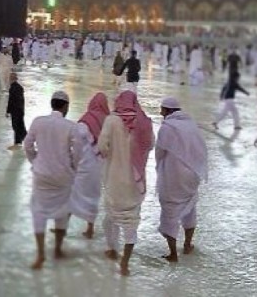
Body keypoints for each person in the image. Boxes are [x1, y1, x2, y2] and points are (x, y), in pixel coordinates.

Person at [24, 91, 82, 270]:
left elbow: (27, 145)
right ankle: (57, 249)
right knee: (63, 212)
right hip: (63, 176)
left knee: (39, 212)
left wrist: (35, 161)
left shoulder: (38, 122)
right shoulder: (70, 126)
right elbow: (78, 150)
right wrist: (72, 165)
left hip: (42, 175)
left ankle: (40, 254)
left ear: (52, 104)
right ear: (65, 106)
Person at [97, 90, 154, 276]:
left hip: (114, 180)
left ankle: (112, 249)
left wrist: (112, 152)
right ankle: (125, 263)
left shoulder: (112, 120)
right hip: (135, 182)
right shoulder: (143, 121)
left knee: (111, 217)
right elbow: (151, 144)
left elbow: (102, 147)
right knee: (131, 222)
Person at [156, 97, 208, 262]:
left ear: (167, 110)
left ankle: (173, 254)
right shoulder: (191, 124)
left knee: (170, 210)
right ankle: (187, 245)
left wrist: (160, 169)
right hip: (193, 173)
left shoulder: (167, 128)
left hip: (174, 175)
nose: (160, 113)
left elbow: (160, 152)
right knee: (190, 207)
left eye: (162, 110)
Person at [69, 92, 110, 239]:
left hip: (84, 164)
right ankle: (90, 228)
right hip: (100, 166)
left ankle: (62, 226)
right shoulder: (108, 121)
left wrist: (74, 163)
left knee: (72, 194)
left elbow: (77, 146)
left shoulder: (85, 121)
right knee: (93, 196)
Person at [5, 73, 27, 150]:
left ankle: (17, 143)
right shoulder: (19, 87)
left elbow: (11, 101)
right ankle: (27, 140)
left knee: (16, 126)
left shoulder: (13, 88)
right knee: (21, 126)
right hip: (20, 110)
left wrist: (8, 111)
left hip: (16, 111)